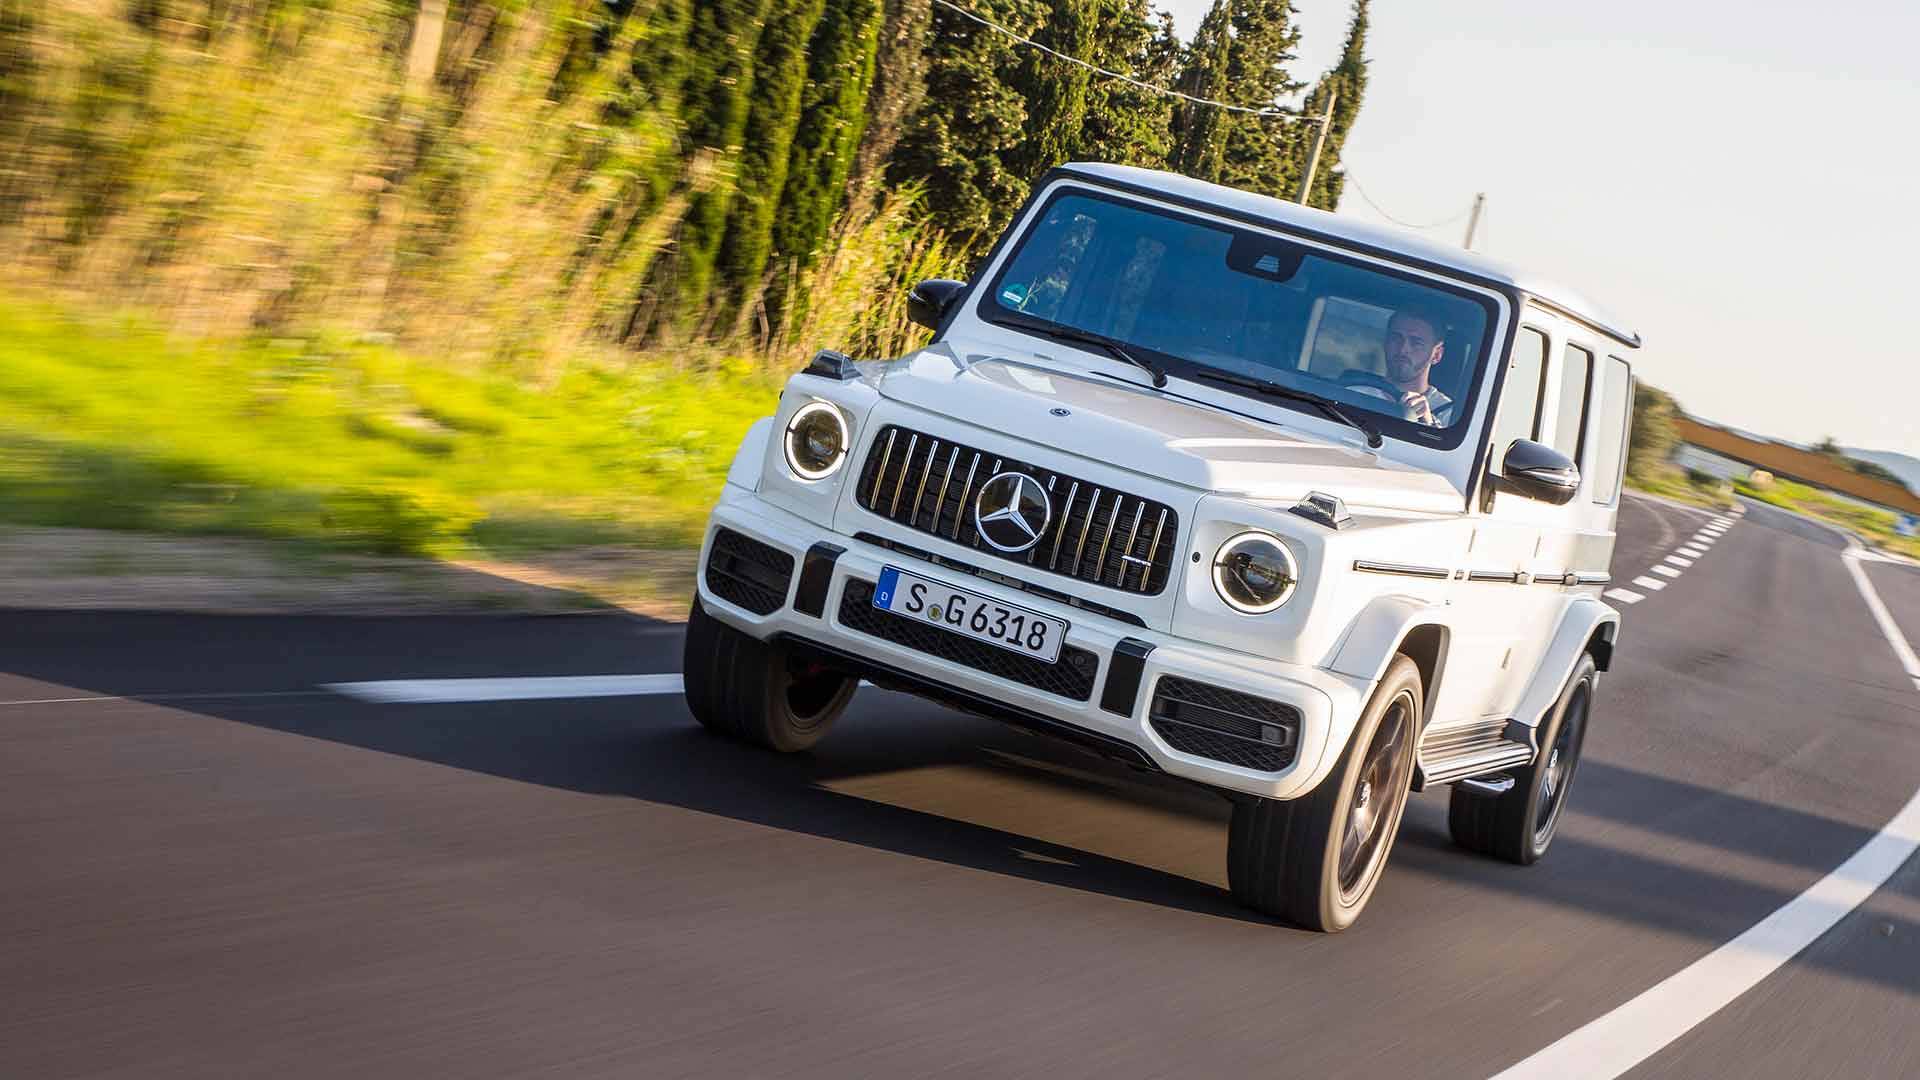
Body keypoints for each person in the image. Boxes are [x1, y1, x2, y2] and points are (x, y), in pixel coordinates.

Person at [1348, 306, 1453, 426]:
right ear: (1386, 342)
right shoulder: (1354, 394)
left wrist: (1429, 424)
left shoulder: (1449, 415)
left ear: (1437, 354)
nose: (1403, 349)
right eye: (1396, 338)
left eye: (1416, 343)